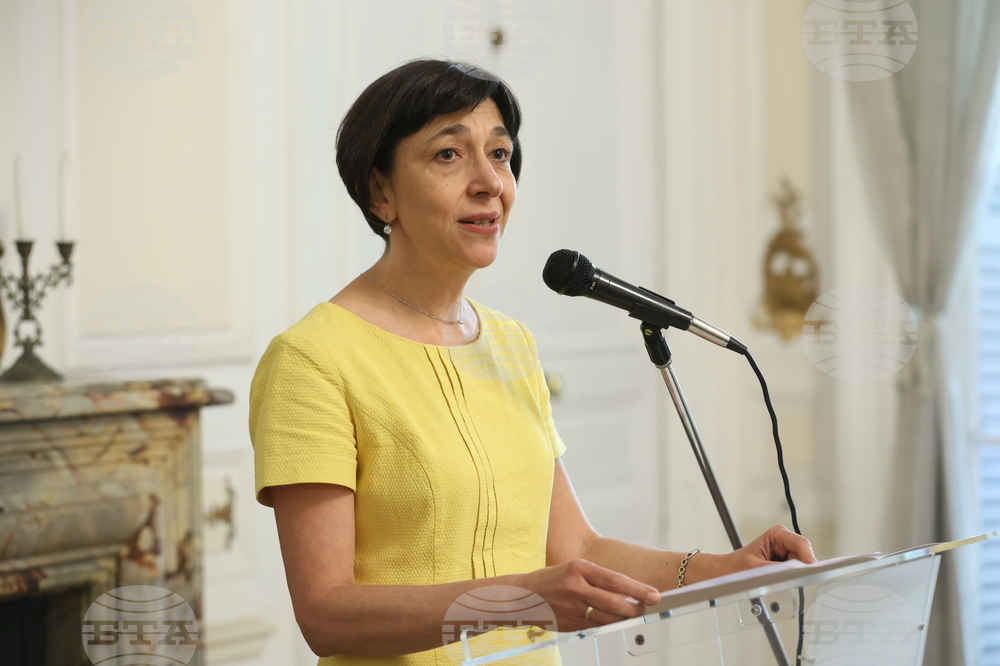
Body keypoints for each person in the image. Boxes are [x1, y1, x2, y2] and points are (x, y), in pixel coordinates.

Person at [248, 58, 816, 665]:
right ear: (380, 190)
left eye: (500, 154)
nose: (490, 182)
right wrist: (520, 599)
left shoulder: (511, 344)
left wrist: (726, 569)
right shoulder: (311, 360)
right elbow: (326, 615)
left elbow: (575, 546)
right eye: (449, 155)